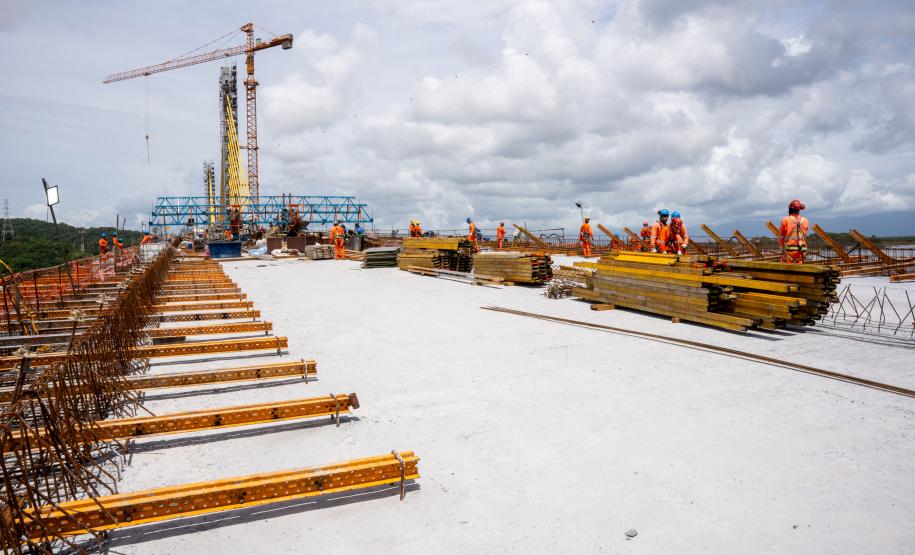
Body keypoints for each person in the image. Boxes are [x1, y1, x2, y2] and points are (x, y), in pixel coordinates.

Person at [779, 199, 809, 264]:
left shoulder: (785, 220)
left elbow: (781, 238)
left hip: (790, 250)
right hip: (802, 251)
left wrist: (783, 248)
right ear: (799, 210)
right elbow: (805, 237)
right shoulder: (806, 220)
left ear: (790, 209)